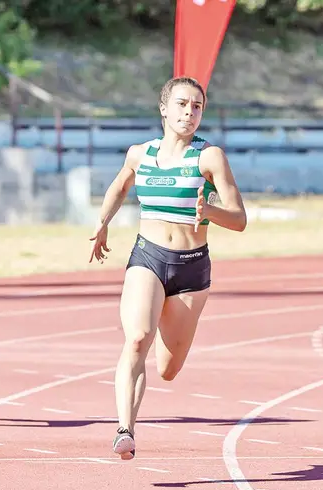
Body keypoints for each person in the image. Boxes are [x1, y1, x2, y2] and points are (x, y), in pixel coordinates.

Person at [88, 76, 247, 460]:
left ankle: (165, 322)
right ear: (164, 108)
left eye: (196, 107)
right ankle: (125, 429)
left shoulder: (209, 158)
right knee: (138, 337)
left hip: (192, 270)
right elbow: (119, 187)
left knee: (168, 369)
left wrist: (209, 210)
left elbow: (239, 218)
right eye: (181, 104)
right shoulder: (139, 154)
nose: (188, 113)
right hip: (149, 257)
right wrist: (103, 221)